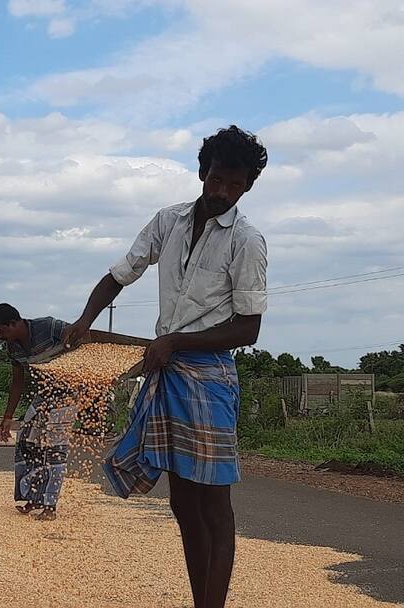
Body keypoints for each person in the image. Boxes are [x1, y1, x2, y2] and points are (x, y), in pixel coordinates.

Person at [62, 125, 268, 608]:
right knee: (182, 502)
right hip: (166, 370)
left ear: (248, 186)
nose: (222, 192)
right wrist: (84, 322)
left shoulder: (247, 241)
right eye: (216, 179)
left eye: (234, 185)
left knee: (214, 502)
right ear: (202, 172)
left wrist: (175, 341)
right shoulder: (168, 221)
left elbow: (248, 329)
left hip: (209, 377)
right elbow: (119, 274)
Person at [0, 303, 72, 521]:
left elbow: (78, 337)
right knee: (27, 442)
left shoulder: (48, 326)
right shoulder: (13, 348)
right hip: (43, 395)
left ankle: (50, 506)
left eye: (1, 331)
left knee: (54, 449)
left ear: (14, 323)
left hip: (67, 395)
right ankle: (33, 497)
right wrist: (7, 417)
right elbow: (18, 381)